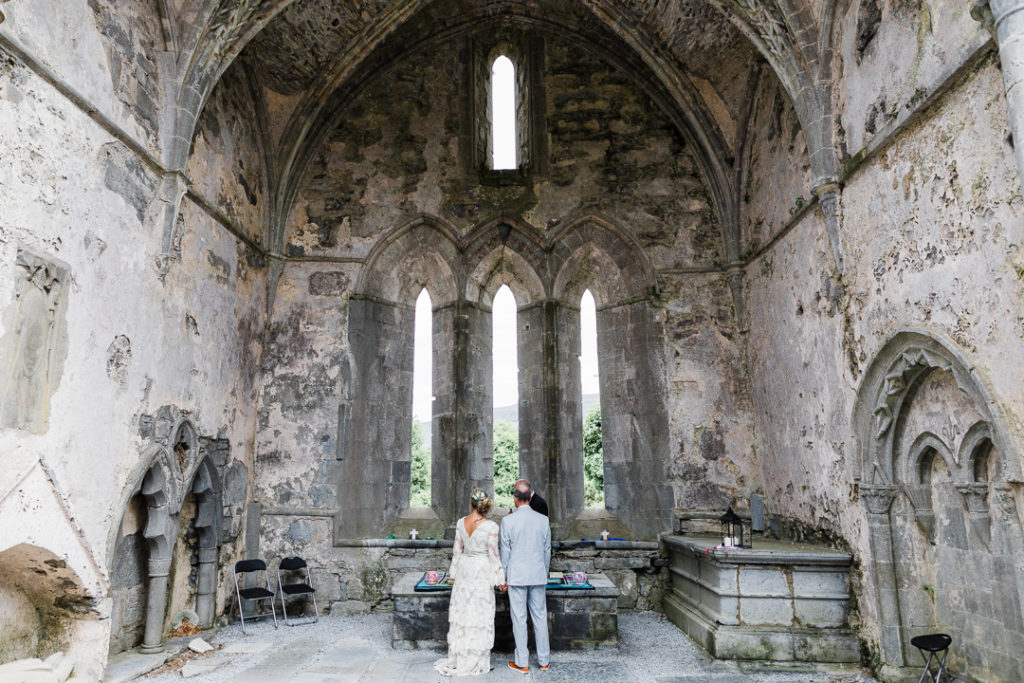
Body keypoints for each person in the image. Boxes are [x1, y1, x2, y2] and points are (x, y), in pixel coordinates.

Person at [434, 488, 505, 677]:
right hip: (480, 569)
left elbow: (457, 551)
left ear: (471, 503)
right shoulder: (491, 527)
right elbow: (493, 554)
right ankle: (480, 661)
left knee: (463, 613)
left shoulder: (460, 523)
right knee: (480, 613)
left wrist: (453, 574)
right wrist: (500, 579)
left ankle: (460, 658)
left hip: (465, 569)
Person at [499, 480, 551, 674]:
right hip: (537, 574)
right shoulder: (543, 520)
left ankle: (522, 662)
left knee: (519, 619)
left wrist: (502, 577)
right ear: (530, 497)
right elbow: (547, 551)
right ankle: (544, 660)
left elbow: (506, 552)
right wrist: (544, 571)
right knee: (539, 616)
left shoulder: (508, 521)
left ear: (515, 498)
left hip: (517, 576)